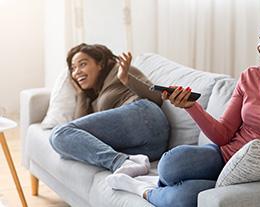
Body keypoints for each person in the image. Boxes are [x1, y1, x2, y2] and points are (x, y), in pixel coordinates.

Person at [105, 6, 260, 207]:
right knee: (170, 165)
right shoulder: (250, 77)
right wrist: (192, 106)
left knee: (184, 198)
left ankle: (142, 189)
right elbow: (222, 135)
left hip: (247, 177)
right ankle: (156, 181)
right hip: (221, 156)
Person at [49, 43, 170, 177]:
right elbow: (77, 135)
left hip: (144, 114)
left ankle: (120, 163)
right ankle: (126, 162)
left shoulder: (119, 71)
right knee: (66, 147)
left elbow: (157, 98)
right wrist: (81, 94)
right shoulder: (95, 97)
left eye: (82, 64)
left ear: (100, 64)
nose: (77, 72)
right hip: (149, 149)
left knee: (59, 134)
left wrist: (126, 78)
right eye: (73, 68)